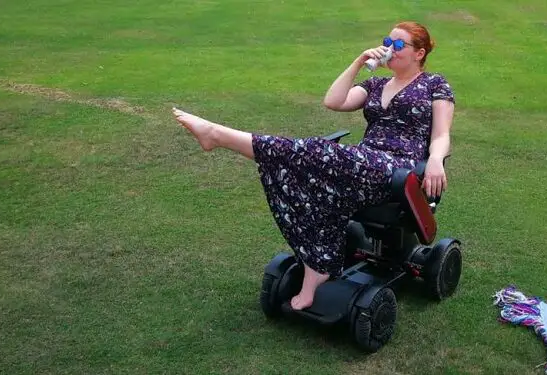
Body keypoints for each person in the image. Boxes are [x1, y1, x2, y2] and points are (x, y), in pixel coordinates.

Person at [172, 21, 455, 310]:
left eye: (398, 44)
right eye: (387, 41)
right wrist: (359, 61)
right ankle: (315, 271)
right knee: (299, 178)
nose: (388, 49)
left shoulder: (434, 84)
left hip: (399, 170)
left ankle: (218, 135)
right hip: (364, 163)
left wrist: (434, 160)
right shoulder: (376, 84)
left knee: (319, 149)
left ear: (419, 53)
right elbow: (333, 101)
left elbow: (442, 134)